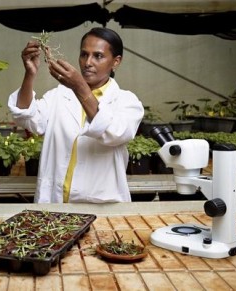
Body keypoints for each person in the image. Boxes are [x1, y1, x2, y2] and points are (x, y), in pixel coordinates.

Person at [8, 27, 144, 203]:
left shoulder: (126, 101)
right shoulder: (60, 95)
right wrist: (30, 74)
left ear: (116, 62)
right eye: (84, 54)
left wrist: (80, 88)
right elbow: (26, 117)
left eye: (98, 56)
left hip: (102, 205)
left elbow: (114, 133)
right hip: (55, 204)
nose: (88, 62)